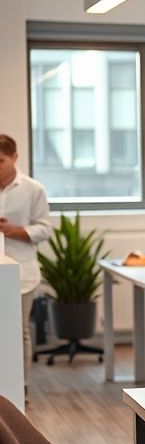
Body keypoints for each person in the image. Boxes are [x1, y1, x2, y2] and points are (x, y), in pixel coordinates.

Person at [0, 134, 52, 391]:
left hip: (21, 272)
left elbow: (44, 229)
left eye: (0, 161)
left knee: (18, 332)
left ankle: (20, 390)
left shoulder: (33, 190)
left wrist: (14, 230)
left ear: (14, 157)